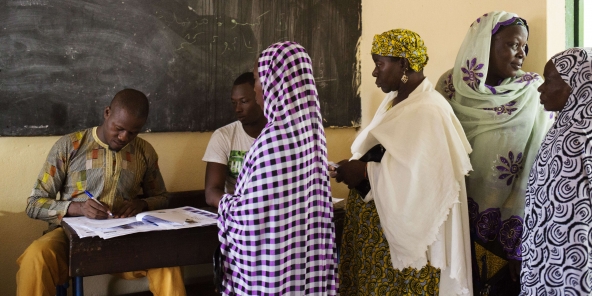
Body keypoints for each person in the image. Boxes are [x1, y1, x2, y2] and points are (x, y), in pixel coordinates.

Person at [333, 28, 473, 295]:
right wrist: (353, 166)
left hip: (403, 249)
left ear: (404, 64)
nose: (374, 72)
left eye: (379, 64)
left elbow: (427, 180)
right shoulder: (395, 101)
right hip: (376, 235)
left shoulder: (428, 110)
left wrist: (363, 170)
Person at [16, 89, 186, 296]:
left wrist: (142, 204)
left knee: (167, 260)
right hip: (70, 238)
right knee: (36, 257)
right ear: (107, 113)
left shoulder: (144, 152)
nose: (124, 137)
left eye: (133, 132)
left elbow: (162, 197)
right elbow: (34, 204)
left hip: (125, 236)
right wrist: (77, 208)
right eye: (119, 128)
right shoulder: (70, 146)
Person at [435, 11, 553, 295]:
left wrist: (520, 244)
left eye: (525, 47)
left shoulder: (532, 91)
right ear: (483, 45)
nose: (522, 54)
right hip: (450, 221)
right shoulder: (449, 87)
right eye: (514, 45)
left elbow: (536, 168)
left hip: (506, 228)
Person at [217, 41, 338, 295]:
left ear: (277, 81)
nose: (257, 88)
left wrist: (227, 205)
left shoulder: (274, 139)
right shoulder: (312, 132)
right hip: (304, 263)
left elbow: (250, 217)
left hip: (274, 269)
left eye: (259, 79)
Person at [521, 47, 592, 295]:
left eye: (549, 80)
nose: (541, 88)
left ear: (576, 84)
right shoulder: (563, 125)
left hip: (572, 257)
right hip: (549, 253)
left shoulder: (581, 135)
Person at [202, 72, 267, 207]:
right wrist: (243, 209)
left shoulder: (279, 136)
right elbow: (211, 192)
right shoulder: (223, 136)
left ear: (261, 98)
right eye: (234, 102)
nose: (237, 109)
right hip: (236, 213)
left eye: (244, 101)